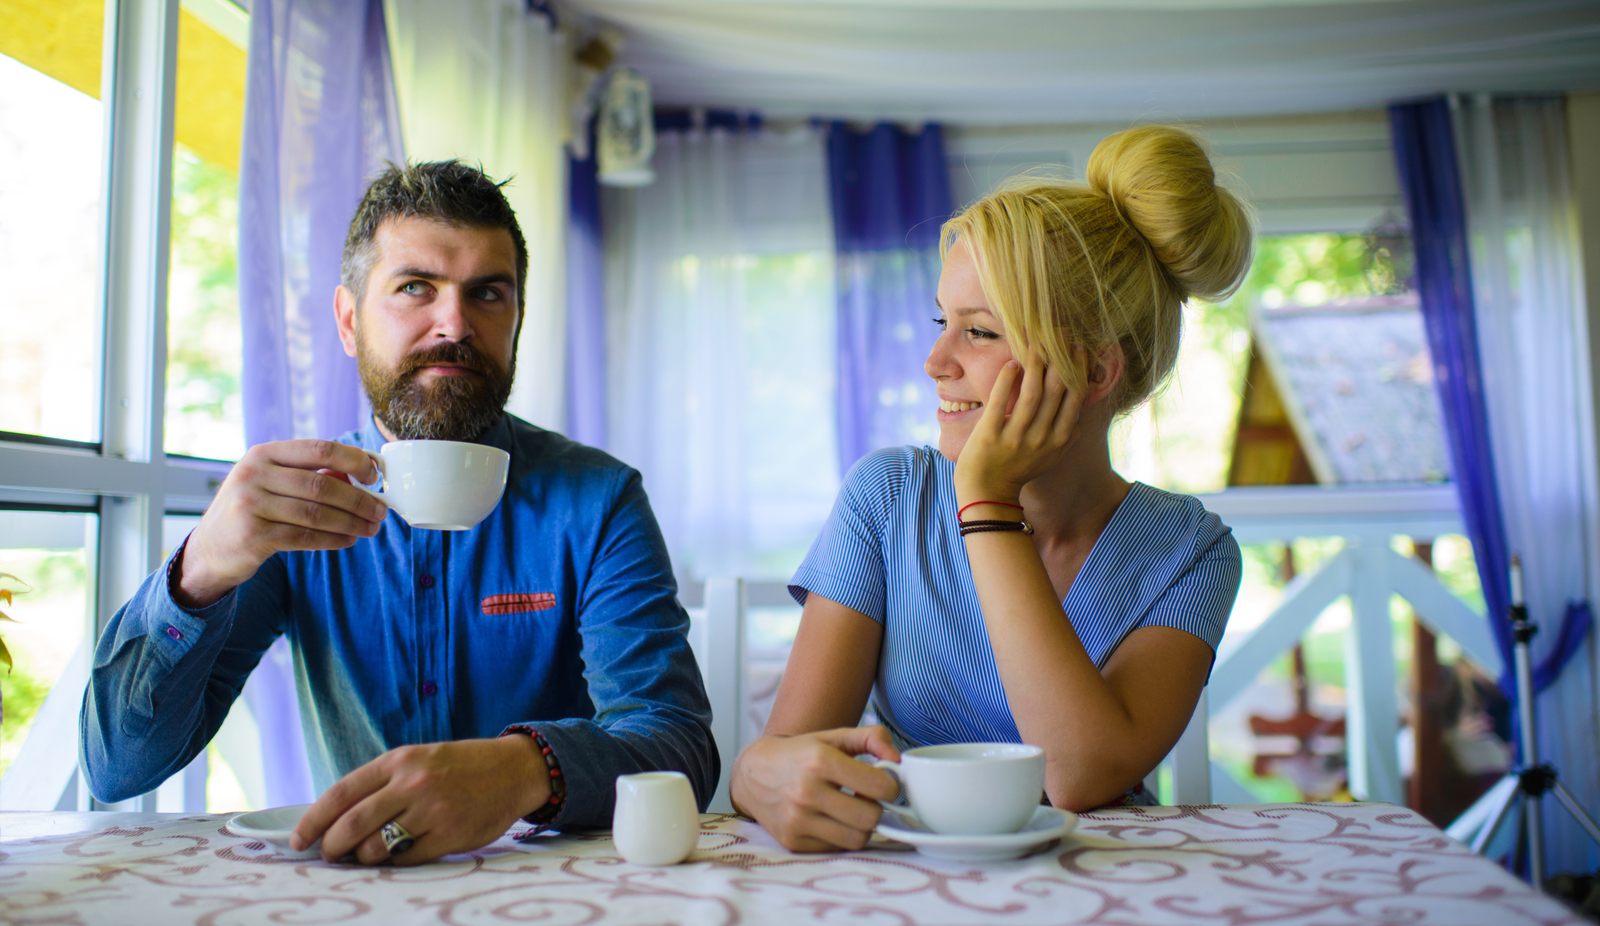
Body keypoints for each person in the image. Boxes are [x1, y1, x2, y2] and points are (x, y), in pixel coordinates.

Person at [81, 161, 715, 864]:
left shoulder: (598, 499)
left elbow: (676, 742)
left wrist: (519, 770)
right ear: (350, 321)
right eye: (416, 288)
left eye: (488, 294)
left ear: (517, 322)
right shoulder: (294, 510)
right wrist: (197, 572)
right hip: (352, 887)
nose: (455, 324)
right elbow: (118, 771)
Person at [730, 125, 1251, 852]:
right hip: (901, 879)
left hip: (1104, 887)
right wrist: (761, 775)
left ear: (1095, 373)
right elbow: (782, 755)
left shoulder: (1192, 553)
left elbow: (1078, 776)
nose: (935, 361)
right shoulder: (887, 498)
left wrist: (987, 505)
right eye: (944, 322)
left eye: (979, 333)